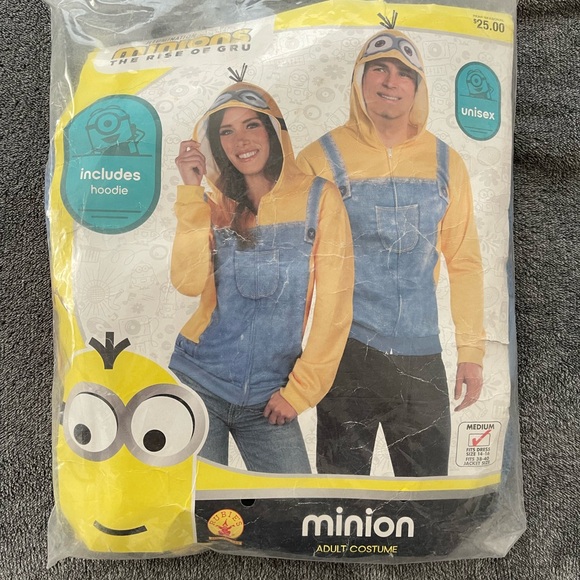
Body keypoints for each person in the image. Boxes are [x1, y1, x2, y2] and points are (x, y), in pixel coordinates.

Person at [297, 27, 485, 477]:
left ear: (418, 87)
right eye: (378, 68)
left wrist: (472, 352)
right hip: (344, 358)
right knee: (340, 502)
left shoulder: (447, 161)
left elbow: (465, 262)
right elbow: (296, 269)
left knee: (429, 503)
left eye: (404, 73)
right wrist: (286, 357)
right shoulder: (317, 160)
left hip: (422, 362)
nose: (390, 81)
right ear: (359, 79)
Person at [169, 81, 354, 474]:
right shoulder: (214, 205)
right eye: (226, 131)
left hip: (272, 397)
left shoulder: (319, 198)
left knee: (295, 506)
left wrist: (300, 392)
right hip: (199, 382)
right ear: (217, 144)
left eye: (251, 125)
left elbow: (335, 307)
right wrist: (191, 192)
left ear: (273, 131)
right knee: (199, 505)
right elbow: (187, 282)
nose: (241, 141)